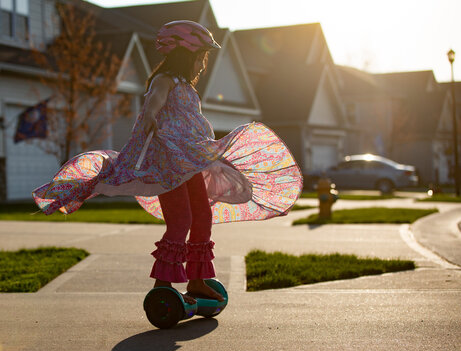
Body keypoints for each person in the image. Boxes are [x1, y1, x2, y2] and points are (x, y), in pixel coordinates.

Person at [32, 20, 303, 305]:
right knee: (181, 219)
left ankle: (198, 280)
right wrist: (150, 115)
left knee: (202, 216)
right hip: (168, 164)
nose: (202, 65)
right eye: (201, 58)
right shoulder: (165, 81)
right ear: (186, 55)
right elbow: (155, 100)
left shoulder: (187, 87)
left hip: (189, 161)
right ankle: (163, 284)